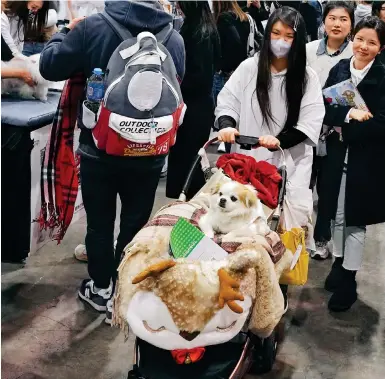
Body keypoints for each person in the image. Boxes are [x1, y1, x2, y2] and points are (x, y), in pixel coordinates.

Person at [39, 0, 185, 324]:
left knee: (100, 223)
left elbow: (50, 66)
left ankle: (101, 288)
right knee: (134, 225)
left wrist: (62, 34)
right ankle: (124, 291)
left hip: (99, 148)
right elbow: (178, 82)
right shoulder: (173, 36)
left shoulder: (93, 27)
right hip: (150, 149)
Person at [215, 6, 325, 248]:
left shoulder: (307, 77)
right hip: (248, 160)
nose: (281, 41)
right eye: (276, 33)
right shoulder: (249, 68)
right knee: (241, 227)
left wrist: (279, 141)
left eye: (289, 36)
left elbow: (310, 121)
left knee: (281, 233)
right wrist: (227, 125)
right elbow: (228, 101)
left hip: (289, 165)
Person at [319, 16, 385, 312]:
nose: (363, 46)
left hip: (368, 161)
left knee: (356, 220)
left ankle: (349, 279)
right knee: (336, 212)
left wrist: (351, 127)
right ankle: (338, 264)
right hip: (336, 155)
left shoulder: (383, 77)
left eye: (372, 42)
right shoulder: (340, 69)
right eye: (360, 39)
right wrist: (348, 117)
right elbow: (323, 106)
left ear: (381, 48)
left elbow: (382, 123)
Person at [307, 0, 354, 259]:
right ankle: (298, 235)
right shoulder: (308, 50)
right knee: (302, 185)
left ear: (351, 24)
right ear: (323, 22)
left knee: (329, 188)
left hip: (337, 134)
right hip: (306, 129)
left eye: (343, 19)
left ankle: (322, 238)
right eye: (332, 18)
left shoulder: (355, 54)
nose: (337, 24)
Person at [166, 1, 219, 200]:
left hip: (192, 108)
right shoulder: (206, 27)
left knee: (187, 171)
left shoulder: (195, 32)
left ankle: (187, 221)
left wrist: (174, 81)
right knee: (191, 166)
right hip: (200, 106)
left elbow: (199, 77)